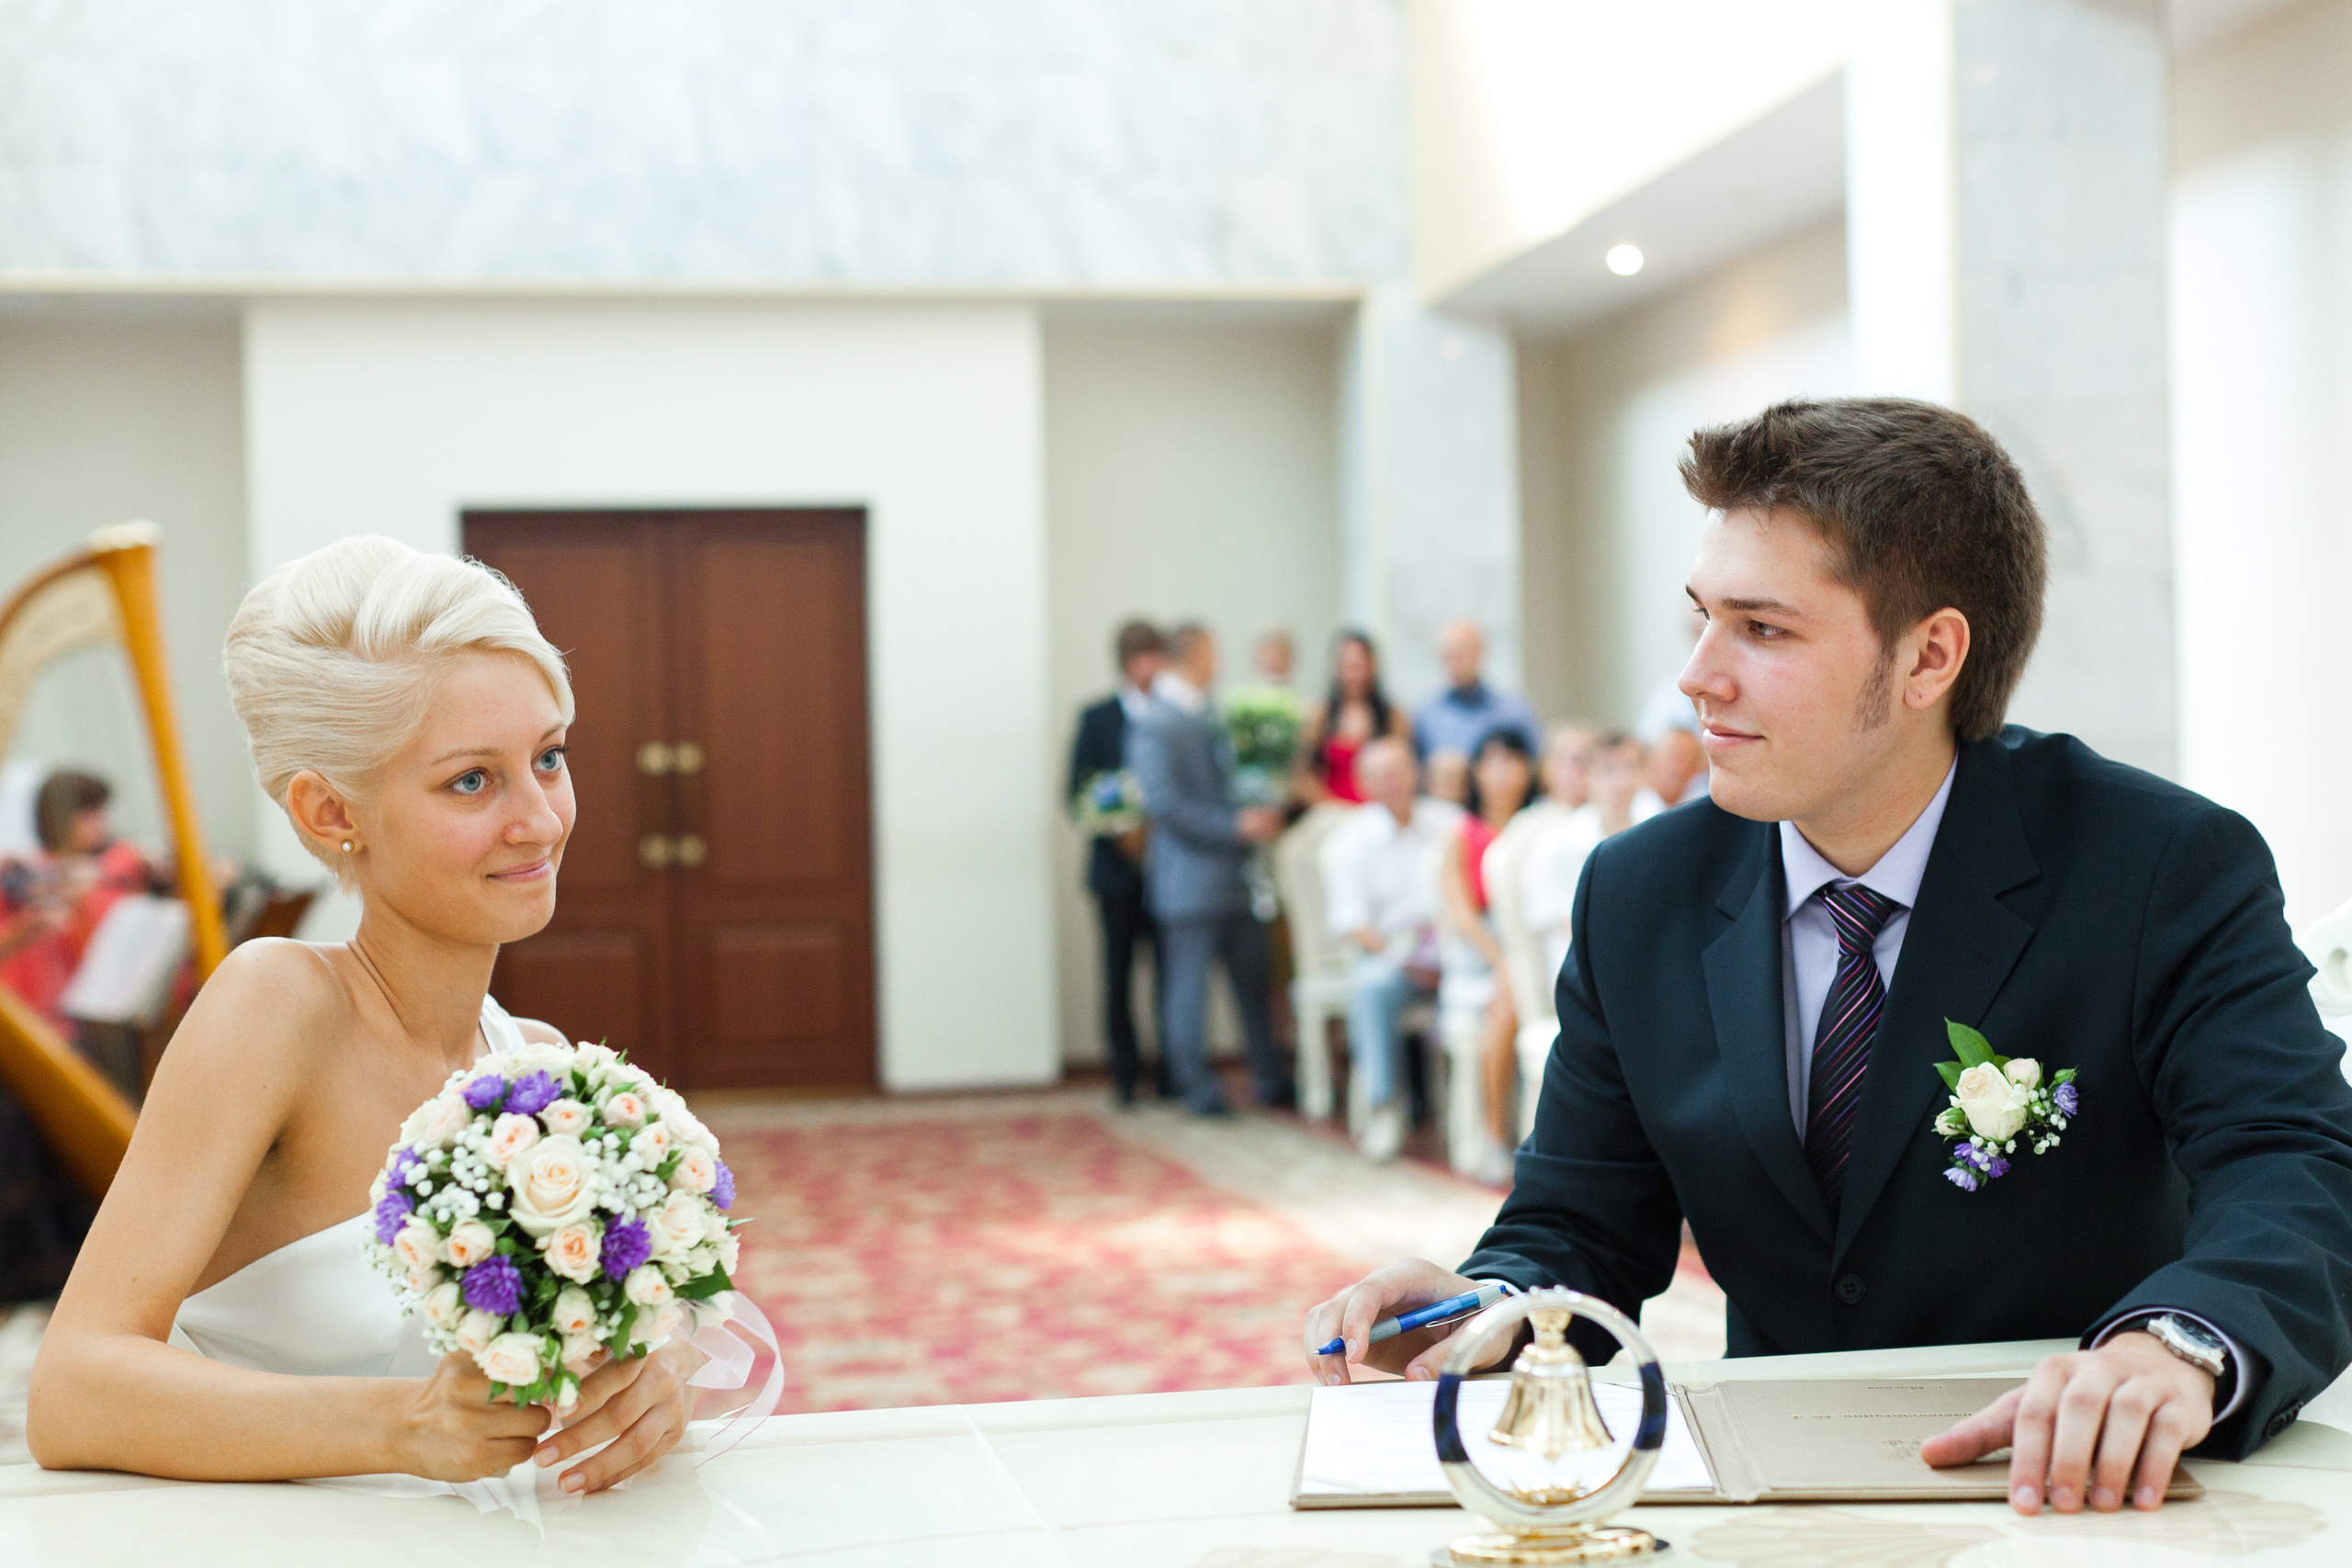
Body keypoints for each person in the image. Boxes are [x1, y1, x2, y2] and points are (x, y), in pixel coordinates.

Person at [1301, 398, 2352, 1520]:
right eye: (1701, 619)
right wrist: (1490, 1305)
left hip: (2073, 1487)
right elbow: (1580, 1221)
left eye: (1762, 630)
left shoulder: (2155, 865)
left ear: (1928, 657)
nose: (1697, 677)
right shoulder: (1639, 893)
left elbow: (2296, 1161)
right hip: (1774, 1498)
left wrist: (2176, 1346)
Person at [28, 536, 695, 1492]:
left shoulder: (537, 1064)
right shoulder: (277, 1004)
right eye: (472, 780)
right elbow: (71, 1393)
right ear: (330, 813)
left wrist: (653, 1370)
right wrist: (403, 1426)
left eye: (548, 758)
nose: (542, 820)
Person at [1127, 624, 1293, 1117]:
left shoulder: (1211, 712)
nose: (1218, 661)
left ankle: (1268, 1074)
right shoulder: (1156, 720)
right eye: (1214, 651)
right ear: (1196, 655)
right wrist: (1234, 825)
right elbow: (1165, 804)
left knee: (1253, 981)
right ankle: (1195, 1085)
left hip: (1235, 877)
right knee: (1189, 990)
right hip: (1190, 880)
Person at [1319, 737, 1457, 1162]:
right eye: (1380, 775)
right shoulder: (1350, 842)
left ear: (1416, 772)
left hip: (1455, 953)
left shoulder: (1448, 823)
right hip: (1393, 960)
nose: (1392, 782)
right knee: (1373, 986)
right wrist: (1410, 962)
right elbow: (1353, 924)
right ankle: (1384, 1108)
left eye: (1398, 771)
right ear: (1363, 784)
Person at [1066, 619, 1172, 1106]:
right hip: (1115, 870)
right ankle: (1125, 1075)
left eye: (1155, 655)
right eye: (1139, 657)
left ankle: (1172, 1072)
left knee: (1170, 977)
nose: (1148, 666)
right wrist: (1120, 828)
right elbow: (1077, 791)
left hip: (1167, 868)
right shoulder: (1097, 718)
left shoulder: (1174, 716)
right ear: (1125, 663)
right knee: (1118, 976)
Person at [1437, 730, 1540, 1183]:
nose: (1501, 773)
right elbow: (1462, 916)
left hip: (1532, 946)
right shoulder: (1461, 834)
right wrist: (1504, 961)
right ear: (1476, 773)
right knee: (1508, 997)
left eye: (1511, 761)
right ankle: (1497, 1135)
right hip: (1481, 953)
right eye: (1491, 763)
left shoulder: (1540, 825)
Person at [0, 770, 165, 1028]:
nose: (102, 823)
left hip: (87, 1015)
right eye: (90, 814)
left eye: (102, 812)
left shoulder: (111, 868)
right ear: (59, 819)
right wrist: (28, 928)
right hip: (33, 1018)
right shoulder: (24, 874)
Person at [1521, 732, 1648, 982]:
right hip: (1585, 978)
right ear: (1587, 777)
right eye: (1608, 770)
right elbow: (1566, 928)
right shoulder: (1554, 846)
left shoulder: (1659, 835)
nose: (1621, 781)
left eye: (1631, 767)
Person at [1411, 620, 1542, 773]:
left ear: (1480, 652)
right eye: (1447, 654)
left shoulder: (1514, 711)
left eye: (1460, 651)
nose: (1453, 660)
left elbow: (1535, 767)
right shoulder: (1425, 715)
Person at [1297, 630, 1408, 806]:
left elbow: (1404, 771)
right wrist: (1337, 808)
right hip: (1330, 810)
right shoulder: (1319, 715)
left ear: (1372, 666)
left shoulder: (1393, 716)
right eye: (1347, 666)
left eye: (1359, 666)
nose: (1354, 675)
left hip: (1379, 810)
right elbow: (1302, 776)